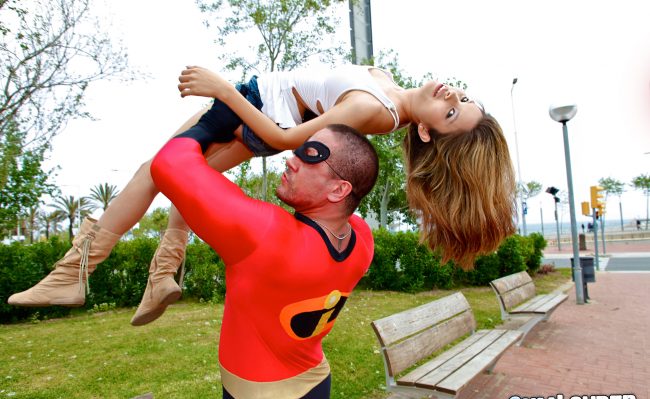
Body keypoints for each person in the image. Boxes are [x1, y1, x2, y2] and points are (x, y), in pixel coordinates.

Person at [8, 63, 516, 325]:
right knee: (183, 179)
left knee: (155, 169)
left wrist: (223, 90)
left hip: (251, 107)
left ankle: (74, 274)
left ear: (426, 132)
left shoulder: (376, 111)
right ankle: (162, 276)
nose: (452, 95)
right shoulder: (386, 87)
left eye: (452, 113)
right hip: (259, 107)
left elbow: (284, 138)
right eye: (463, 97)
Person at [152, 124, 378, 399]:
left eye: (311, 155)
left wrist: (215, 120)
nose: (291, 159)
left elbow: (170, 163)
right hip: (313, 386)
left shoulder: (267, 235)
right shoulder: (362, 240)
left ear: (339, 190)